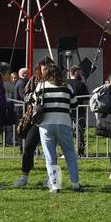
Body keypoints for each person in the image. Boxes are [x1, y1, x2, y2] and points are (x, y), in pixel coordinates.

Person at [36, 64, 84, 192]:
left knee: (50, 157)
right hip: (64, 122)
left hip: (46, 124)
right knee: (70, 154)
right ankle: (75, 184)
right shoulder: (67, 87)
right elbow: (74, 105)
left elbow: (35, 102)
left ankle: (55, 185)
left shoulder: (41, 86)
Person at [13, 59, 53, 188]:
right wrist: (35, 97)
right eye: (43, 68)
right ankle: (24, 176)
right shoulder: (34, 79)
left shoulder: (56, 80)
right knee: (29, 147)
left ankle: (50, 177)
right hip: (35, 119)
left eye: (48, 67)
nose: (45, 70)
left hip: (51, 119)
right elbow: (25, 95)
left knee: (50, 150)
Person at [66, 64, 90, 156]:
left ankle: (68, 151)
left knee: (67, 131)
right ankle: (81, 151)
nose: (82, 74)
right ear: (75, 72)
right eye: (80, 72)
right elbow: (86, 97)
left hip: (67, 110)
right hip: (79, 111)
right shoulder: (81, 84)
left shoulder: (65, 83)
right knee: (80, 131)